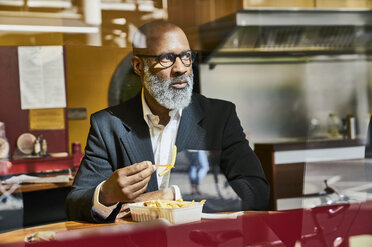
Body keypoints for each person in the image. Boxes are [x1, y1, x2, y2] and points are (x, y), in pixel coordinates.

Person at [65, 20, 270, 223]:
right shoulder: (107, 125)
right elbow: (75, 202)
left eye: (186, 57)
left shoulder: (219, 117)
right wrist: (105, 194)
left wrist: (173, 196)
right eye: (166, 59)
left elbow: (255, 190)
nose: (181, 68)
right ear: (138, 66)